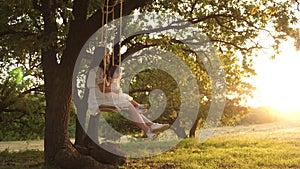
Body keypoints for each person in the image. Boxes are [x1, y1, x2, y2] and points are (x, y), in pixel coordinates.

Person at [87, 47, 169, 139]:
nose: (108, 58)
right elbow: (102, 89)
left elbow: (104, 86)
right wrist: (114, 90)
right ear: (101, 56)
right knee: (130, 106)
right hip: (100, 99)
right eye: (107, 55)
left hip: (101, 98)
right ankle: (149, 129)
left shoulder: (99, 70)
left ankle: (151, 126)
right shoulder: (98, 70)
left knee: (131, 106)